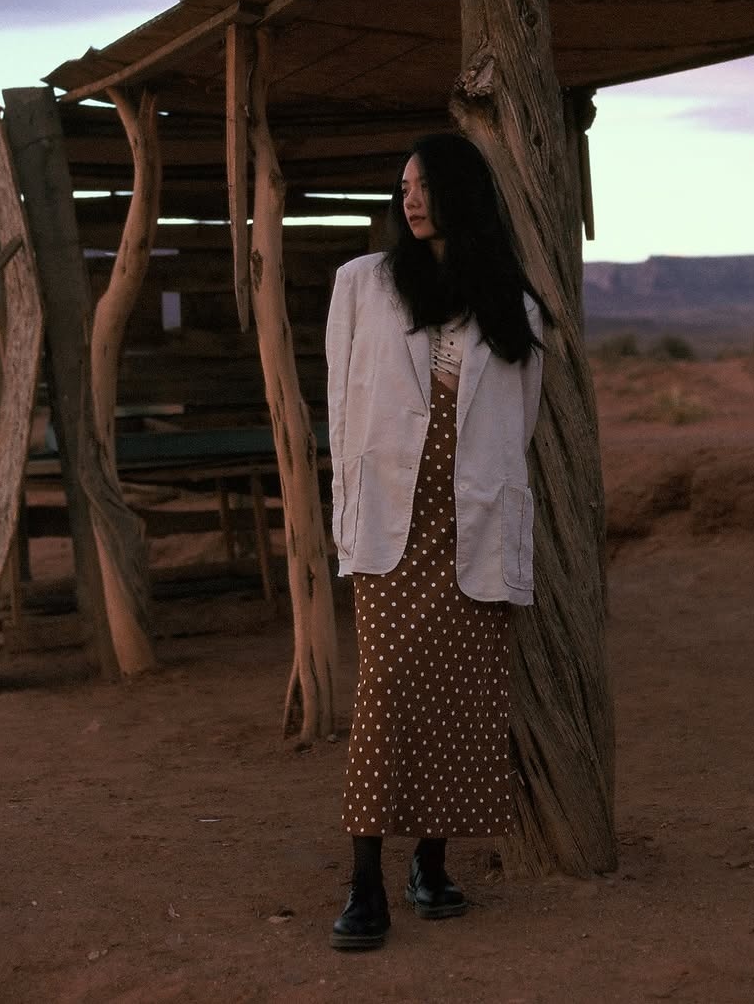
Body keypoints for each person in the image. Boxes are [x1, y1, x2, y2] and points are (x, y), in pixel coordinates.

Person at [325, 132, 546, 951]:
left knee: (457, 704)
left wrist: (487, 496)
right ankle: (363, 885)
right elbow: (342, 405)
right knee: (385, 696)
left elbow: (520, 427)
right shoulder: (365, 284)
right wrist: (348, 512)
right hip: (392, 524)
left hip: (472, 527)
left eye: (424, 185)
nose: (409, 198)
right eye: (402, 185)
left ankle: (430, 865)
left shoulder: (515, 307)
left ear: (462, 193)